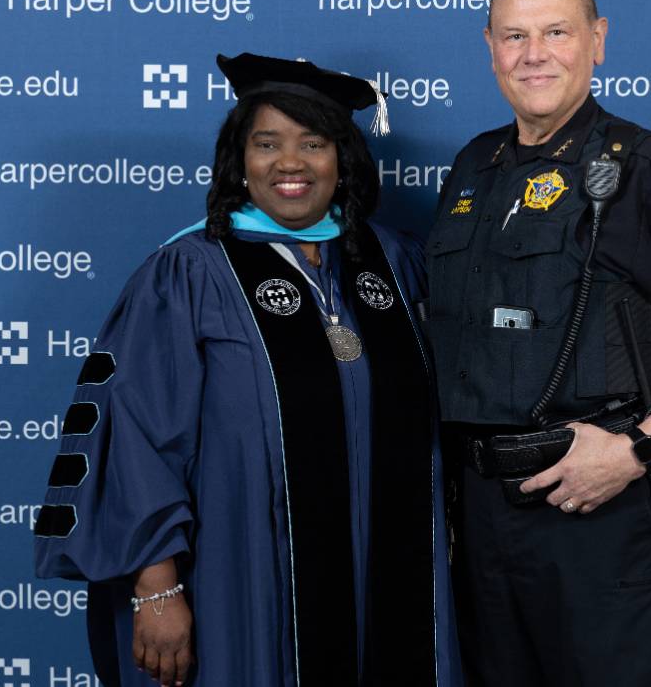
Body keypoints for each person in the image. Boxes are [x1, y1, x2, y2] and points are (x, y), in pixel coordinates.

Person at [35, 52, 462, 687]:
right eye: (267, 144)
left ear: (342, 158)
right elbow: (138, 440)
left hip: (389, 581)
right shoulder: (189, 273)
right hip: (242, 580)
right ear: (240, 159)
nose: (290, 163)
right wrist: (156, 589)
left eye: (313, 143)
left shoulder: (394, 261)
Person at [424, 0, 651, 687]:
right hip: (484, 523)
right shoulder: (472, 169)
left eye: (556, 32)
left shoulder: (650, 169)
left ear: (598, 40)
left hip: (604, 516)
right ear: (489, 45)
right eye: (514, 35)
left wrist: (634, 453)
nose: (534, 54)